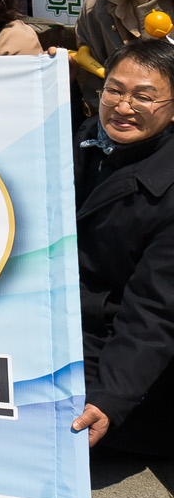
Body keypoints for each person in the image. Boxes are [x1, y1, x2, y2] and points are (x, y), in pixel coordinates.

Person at [72, 39, 174, 458]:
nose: (123, 106)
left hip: (110, 340)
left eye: (143, 97)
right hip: (54, 316)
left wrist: (109, 399)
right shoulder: (83, 140)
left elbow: (154, 311)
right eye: (114, 90)